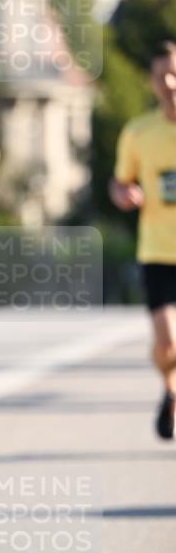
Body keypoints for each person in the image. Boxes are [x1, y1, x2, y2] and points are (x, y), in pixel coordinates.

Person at [109, 40, 176, 440]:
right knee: (167, 344)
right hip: (158, 251)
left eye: (175, 74)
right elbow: (120, 183)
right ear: (151, 82)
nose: (169, 83)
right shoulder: (138, 132)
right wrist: (124, 194)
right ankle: (170, 388)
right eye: (161, 76)